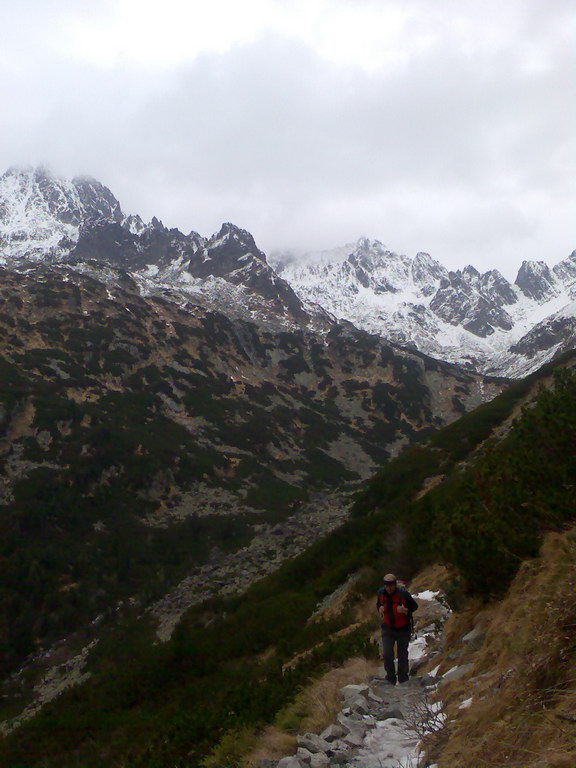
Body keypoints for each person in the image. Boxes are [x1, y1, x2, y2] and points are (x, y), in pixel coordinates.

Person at [376, 573, 418, 685]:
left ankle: (403, 678)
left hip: (403, 628)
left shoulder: (403, 594)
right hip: (388, 628)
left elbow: (414, 606)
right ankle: (390, 678)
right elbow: (378, 604)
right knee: (387, 653)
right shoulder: (381, 593)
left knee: (402, 654)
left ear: (395, 584)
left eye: (391, 584)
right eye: (387, 584)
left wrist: (406, 610)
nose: (389, 587)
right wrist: (379, 609)